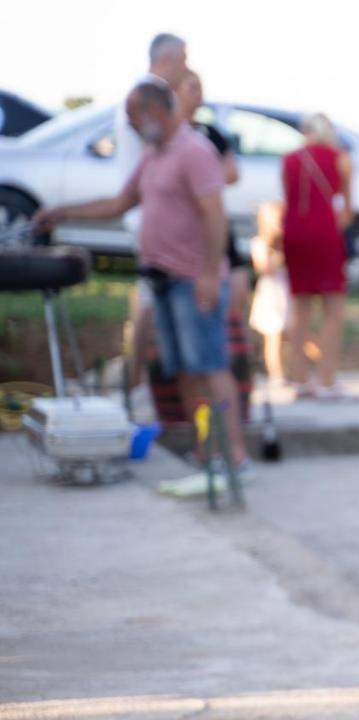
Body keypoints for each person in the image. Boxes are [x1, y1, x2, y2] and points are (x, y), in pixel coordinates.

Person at [34, 82, 250, 473]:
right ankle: (206, 453)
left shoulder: (195, 152)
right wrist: (63, 212)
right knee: (184, 370)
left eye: (134, 118)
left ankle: (234, 454)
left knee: (209, 366)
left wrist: (206, 274)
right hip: (163, 280)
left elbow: (216, 217)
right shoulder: (154, 154)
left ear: (155, 112)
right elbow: (121, 202)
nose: (130, 126)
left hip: (192, 281)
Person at [119, 33, 189, 393]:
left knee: (149, 300)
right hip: (153, 218)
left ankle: (139, 380)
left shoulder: (144, 96)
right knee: (151, 302)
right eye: (183, 59)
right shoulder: (149, 100)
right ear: (165, 60)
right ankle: (137, 382)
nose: (187, 68)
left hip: (149, 215)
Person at [281, 113, 354, 400]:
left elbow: (289, 198)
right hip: (325, 231)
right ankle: (327, 378)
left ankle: (299, 378)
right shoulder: (340, 158)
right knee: (332, 308)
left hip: (294, 231)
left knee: (300, 309)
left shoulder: (289, 160)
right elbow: (347, 208)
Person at [175, 71, 249, 317]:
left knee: (235, 277)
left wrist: (199, 174)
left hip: (211, 216)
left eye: (200, 88)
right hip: (181, 228)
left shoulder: (210, 133)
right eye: (192, 87)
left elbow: (232, 173)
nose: (199, 94)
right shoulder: (169, 134)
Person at [248, 203, 290, 389]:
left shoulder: (288, 242)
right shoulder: (259, 244)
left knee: (296, 335)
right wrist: (279, 253)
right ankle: (276, 373)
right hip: (271, 296)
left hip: (288, 294)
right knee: (273, 337)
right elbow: (264, 269)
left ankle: (304, 368)